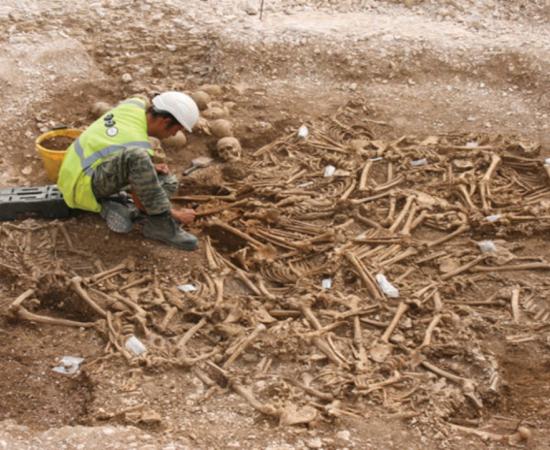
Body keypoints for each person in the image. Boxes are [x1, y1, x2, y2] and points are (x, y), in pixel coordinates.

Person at [57, 91, 199, 251]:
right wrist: (176, 214)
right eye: (176, 129)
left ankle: (113, 203)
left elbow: (116, 140)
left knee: (168, 181)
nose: (174, 134)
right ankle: (161, 226)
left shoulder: (134, 106)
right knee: (138, 159)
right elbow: (143, 202)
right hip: (80, 186)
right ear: (165, 121)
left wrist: (147, 170)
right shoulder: (138, 146)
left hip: (76, 170)